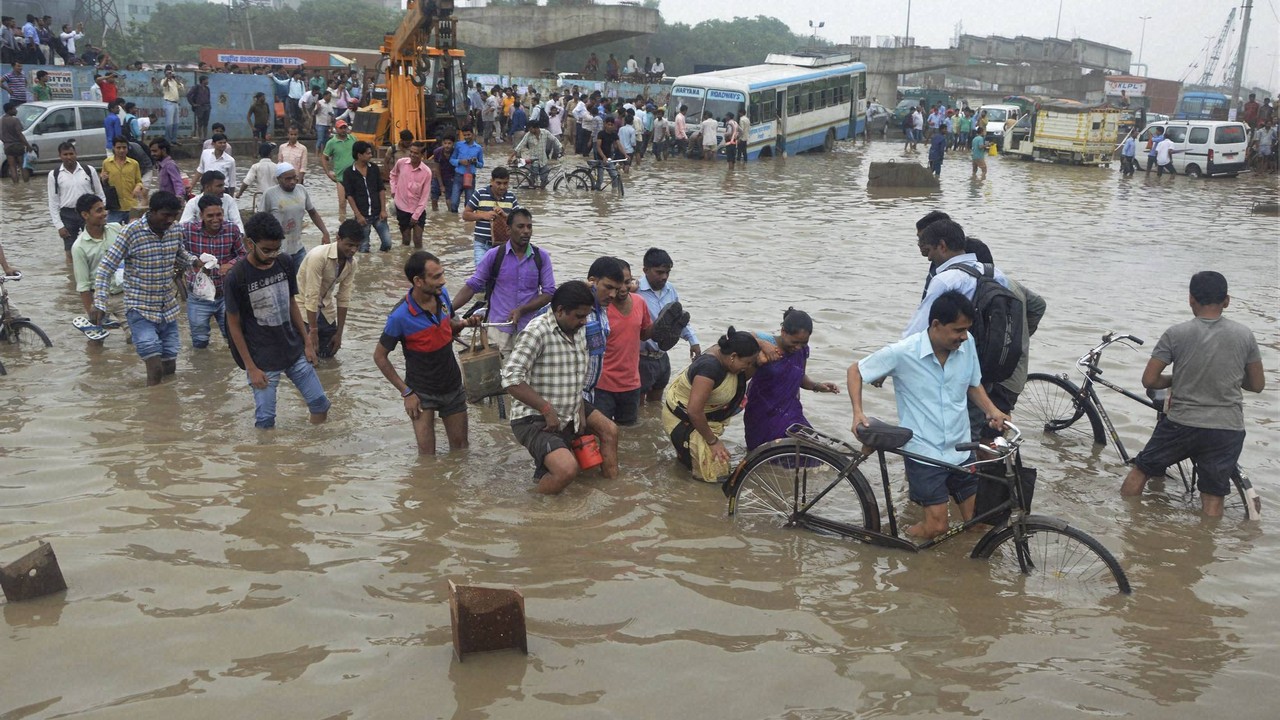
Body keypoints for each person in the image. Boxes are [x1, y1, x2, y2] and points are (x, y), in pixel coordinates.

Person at [848, 291, 1010, 539]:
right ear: (936, 325)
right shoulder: (904, 352)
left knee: (979, 522)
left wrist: (992, 410)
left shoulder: (966, 348)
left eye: (967, 329)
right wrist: (858, 413)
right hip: (924, 452)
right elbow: (856, 371)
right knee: (937, 528)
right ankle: (901, 539)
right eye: (958, 330)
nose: (964, 336)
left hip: (961, 448)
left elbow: (972, 384)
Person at [1120, 272, 1265, 517]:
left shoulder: (1175, 333)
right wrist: (1224, 378)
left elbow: (1150, 379)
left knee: (1141, 470)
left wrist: (1177, 378)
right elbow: (1257, 384)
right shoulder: (1245, 335)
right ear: (1227, 301)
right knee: (1213, 494)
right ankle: (1204, 547)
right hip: (1227, 428)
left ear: (1190, 299)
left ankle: (1125, 524)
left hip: (1182, 424)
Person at [502, 281, 620, 494]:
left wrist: (580, 410)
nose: (584, 321)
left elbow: (578, 374)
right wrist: (546, 409)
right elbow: (511, 379)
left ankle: (611, 492)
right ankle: (534, 505)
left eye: (587, 315)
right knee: (566, 470)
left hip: (570, 405)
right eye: (579, 316)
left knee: (609, 430)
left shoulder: (580, 329)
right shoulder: (537, 332)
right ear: (560, 311)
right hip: (532, 416)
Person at [224, 212, 329, 430]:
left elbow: (291, 303)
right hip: (261, 359)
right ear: (249, 243)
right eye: (266, 250)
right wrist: (250, 367)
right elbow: (233, 325)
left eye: (276, 248)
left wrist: (307, 342)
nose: (272, 254)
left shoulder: (285, 262)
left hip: (292, 348)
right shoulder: (237, 277)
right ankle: (265, 461)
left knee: (320, 404)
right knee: (265, 419)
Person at [375, 250, 482, 455]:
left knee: (461, 451)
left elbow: (446, 327)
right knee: (426, 457)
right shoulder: (399, 316)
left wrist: (465, 323)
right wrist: (406, 393)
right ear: (418, 281)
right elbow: (379, 356)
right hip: (421, 393)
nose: (443, 281)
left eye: (442, 274)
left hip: (451, 385)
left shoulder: (442, 297)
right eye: (436, 277)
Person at [91, 191, 202, 386]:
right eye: (165, 215)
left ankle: (166, 408)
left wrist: (195, 262)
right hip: (140, 309)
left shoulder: (175, 230)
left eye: (174, 215)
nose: (170, 220)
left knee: (170, 367)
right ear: (152, 211)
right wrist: (99, 302)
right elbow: (106, 268)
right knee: (155, 367)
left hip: (167, 308)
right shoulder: (131, 232)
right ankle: (152, 410)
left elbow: (180, 254)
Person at [452, 207, 555, 358]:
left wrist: (522, 310)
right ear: (508, 230)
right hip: (498, 330)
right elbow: (472, 286)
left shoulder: (541, 257)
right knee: (498, 378)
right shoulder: (494, 256)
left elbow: (549, 293)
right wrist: (447, 311)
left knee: (526, 378)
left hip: (530, 330)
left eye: (529, 226)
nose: (526, 231)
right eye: (520, 226)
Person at [662, 328, 760, 482]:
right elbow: (694, 411)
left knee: (692, 466)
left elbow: (754, 336)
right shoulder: (709, 368)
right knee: (715, 474)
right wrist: (713, 442)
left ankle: (684, 464)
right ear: (733, 356)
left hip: (703, 417)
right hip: (683, 418)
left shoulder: (726, 353)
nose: (748, 367)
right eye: (747, 363)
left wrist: (765, 347)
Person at [743, 308, 840, 450]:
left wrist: (817, 386)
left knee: (809, 448)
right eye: (794, 342)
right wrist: (761, 344)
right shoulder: (768, 344)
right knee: (764, 453)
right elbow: (738, 338)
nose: (798, 347)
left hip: (790, 410)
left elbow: (799, 377)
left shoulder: (802, 350)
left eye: (803, 343)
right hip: (762, 411)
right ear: (783, 331)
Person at [181, 195, 246, 349]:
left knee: (233, 339)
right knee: (199, 341)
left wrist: (230, 264)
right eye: (210, 216)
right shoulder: (187, 231)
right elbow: (177, 253)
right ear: (201, 215)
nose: (216, 219)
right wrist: (193, 261)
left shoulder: (231, 229)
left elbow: (243, 254)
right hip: (198, 296)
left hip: (226, 294)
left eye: (219, 215)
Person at [636, 247, 701, 402]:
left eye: (667, 272)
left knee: (656, 405)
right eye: (659, 272)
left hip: (662, 357)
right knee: (637, 407)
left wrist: (693, 341)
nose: (664, 277)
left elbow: (678, 318)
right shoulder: (634, 291)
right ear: (645, 270)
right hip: (640, 359)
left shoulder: (670, 289)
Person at [594, 259, 652, 426]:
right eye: (618, 284)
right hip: (602, 385)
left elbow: (644, 334)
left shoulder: (640, 302)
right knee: (601, 432)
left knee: (629, 433)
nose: (624, 288)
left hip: (631, 384)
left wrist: (662, 327)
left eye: (628, 282)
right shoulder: (599, 308)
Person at [297, 220, 359, 360]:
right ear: (338, 238)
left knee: (330, 352)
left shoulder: (352, 263)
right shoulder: (318, 257)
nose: (353, 250)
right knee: (307, 357)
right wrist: (313, 331)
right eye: (349, 244)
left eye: (357, 246)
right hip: (304, 306)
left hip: (325, 306)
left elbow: (344, 297)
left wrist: (339, 333)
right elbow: (311, 296)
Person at [71, 194, 128, 341]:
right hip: (99, 299)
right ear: (85, 215)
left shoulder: (117, 229)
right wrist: (92, 311)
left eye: (104, 209)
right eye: (99, 210)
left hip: (125, 295)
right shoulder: (79, 247)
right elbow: (83, 285)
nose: (105, 213)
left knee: (137, 339)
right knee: (96, 341)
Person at [47, 141, 105, 262]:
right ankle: (72, 277)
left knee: (94, 245)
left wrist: (101, 213)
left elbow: (100, 194)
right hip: (67, 215)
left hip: (88, 213)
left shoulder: (89, 170)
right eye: (65, 154)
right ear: (60, 156)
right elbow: (53, 202)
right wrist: (59, 225)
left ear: (76, 154)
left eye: (71, 153)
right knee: (70, 251)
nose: (69, 157)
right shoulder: (54, 175)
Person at [342, 140, 392, 253]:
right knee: (363, 248)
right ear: (359, 155)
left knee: (387, 243)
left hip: (378, 213)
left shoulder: (373, 169)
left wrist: (383, 210)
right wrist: (358, 215)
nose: (371, 155)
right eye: (368, 153)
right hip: (363, 216)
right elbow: (349, 196)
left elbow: (381, 189)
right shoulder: (349, 173)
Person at [463, 166, 518, 266]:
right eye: (499, 183)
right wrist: (484, 215)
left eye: (505, 183)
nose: (502, 187)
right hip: (482, 244)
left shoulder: (511, 197)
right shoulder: (479, 194)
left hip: (504, 246)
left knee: (501, 276)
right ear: (491, 181)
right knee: (481, 273)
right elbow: (466, 215)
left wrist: (505, 215)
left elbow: (518, 220)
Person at [390, 141, 432, 249]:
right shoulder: (401, 163)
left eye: (416, 153)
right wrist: (393, 190)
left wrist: (416, 215)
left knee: (418, 239)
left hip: (418, 209)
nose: (412, 155)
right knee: (406, 240)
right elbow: (393, 175)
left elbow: (424, 197)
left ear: (422, 155)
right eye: (411, 152)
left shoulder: (427, 172)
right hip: (402, 208)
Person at [100, 137, 145, 224]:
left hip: (131, 205)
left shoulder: (134, 164)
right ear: (113, 148)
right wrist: (103, 180)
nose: (121, 150)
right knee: (112, 231)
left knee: (134, 232)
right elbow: (104, 184)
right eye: (118, 148)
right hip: (115, 206)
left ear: (127, 148)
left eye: (124, 147)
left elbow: (139, 181)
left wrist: (138, 187)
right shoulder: (106, 163)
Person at [321, 119, 355, 222]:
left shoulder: (353, 139)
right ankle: (342, 222)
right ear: (336, 129)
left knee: (357, 202)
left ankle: (357, 222)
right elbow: (324, 157)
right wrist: (328, 173)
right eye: (341, 128)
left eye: (345, 127)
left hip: (354, 176)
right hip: (340, 177)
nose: (343, 130)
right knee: (342, 203)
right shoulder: (331, 143)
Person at [509, 122, 562, 189]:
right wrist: (511, 156)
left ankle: (542, 194)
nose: (530, 131)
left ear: (536, 128)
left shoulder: (545, 132)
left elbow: (554, 139)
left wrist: (560, 146)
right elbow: (520, 146)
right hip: (533, 161)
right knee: (532, 180)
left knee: (544, 180)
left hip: (543, 160)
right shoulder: (528, 135)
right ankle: (531, 193)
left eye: (531, 129)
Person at [450, 126, 484, 224]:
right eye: (464, 135)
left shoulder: (478, 148)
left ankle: (467, 224)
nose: (467, 137)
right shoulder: (458, 145)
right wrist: (460, 161)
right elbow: (452, 160)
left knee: (469, 203)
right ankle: (453, 222)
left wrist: (475, 162)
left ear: (473, 134)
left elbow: (481, 164)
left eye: (468, 135)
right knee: (454, 202)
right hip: (458, 176)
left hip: (471, 177)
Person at [1, 100, 31, 185]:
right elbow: (20, 134)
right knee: (23, 166)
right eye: (14, 109)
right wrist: (27, 145)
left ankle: (16, 186)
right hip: (18, 145)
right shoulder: (15, 120)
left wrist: (6, 141)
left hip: (7, 147)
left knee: (12, 167)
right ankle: (26, 186)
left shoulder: (1, 121)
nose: (16, 110)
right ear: (10, 110)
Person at [430, 134, 456, 212]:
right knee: (434, 198)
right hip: (438, 176)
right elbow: (436, 169)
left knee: (449, 201)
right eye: (445, 143)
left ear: (453, 144)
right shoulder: (437, 152)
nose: (447, 146)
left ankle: (451, 216)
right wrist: (441, 185)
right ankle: (435, 215)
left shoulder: (456, 153)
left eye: (449, 143)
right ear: (442, 143)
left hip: (450, 177)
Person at [160, 68, 184, 143]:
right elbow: (164, 85)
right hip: (169, 103)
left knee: (176, 123)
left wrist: (175, 78)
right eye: (168, 73)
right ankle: (167, 140)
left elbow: (181, 88)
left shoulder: (174, 81)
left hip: (176, 103)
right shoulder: (164, 80)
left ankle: (174, 139)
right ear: (165, 74)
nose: (170, 74)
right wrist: (167, 77)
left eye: (171, 72)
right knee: (169, 123)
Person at [187, 75, 211, 140]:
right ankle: (200, 138)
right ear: (203, 81)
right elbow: (189, 95)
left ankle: (205, 138)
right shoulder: (196, 87)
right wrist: (193, 104)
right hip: (200, 107)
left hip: (207, 106)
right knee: (200, 123)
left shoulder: (207, 88)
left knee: (206, 123)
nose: (207, 81)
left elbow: (208, 97)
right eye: (206, 80)